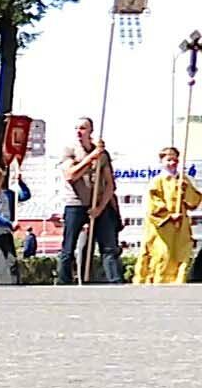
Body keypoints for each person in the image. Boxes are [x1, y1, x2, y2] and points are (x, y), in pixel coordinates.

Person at [58, 117, 122, 284]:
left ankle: (115, 280)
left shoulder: (102, 154)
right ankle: (64, 281)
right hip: (76, 204)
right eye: (77, 128)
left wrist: (100, 207)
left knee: (109, 247)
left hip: (98, 203)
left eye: (83, 128)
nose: (79, 131)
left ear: (90, 131)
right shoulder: (70, 150)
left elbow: (110, 184)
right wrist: (90, 158)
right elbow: (71, 175)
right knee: (68, 248)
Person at [136, 146, 200, 284]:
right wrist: (169, 215)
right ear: (162, 161)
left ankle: (178, 282)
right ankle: (157, 282)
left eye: (175, 160)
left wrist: (185, 189)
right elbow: (153, 203)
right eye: (169, 160)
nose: (172, 163)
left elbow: (194, 202)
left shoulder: (184, 180)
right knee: (162, 255)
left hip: (180, 227)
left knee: (181, 255)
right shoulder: (157, 181)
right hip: (162, 228)